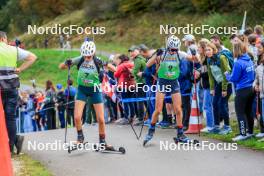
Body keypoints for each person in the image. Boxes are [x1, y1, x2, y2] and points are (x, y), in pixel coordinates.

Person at [143, 35, 198, 145]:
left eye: (176, 49)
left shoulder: (180, 54)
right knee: (158, 110)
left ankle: (180, 133)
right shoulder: (162, 54)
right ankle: (151, 131)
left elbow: (195, 60)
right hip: (163, 82)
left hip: (174, 82)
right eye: (172, 49)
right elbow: (147, 64)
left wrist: (194, 53)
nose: (174, 52)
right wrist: (155, 55)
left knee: (178, 109)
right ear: (168, 47)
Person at [59, 40, 112, 148]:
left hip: (95, 90)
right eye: (85, 56)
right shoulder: (80, 59)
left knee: (101, 119)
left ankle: (102, 141)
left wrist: (107, 66)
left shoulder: (98, 61)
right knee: (77, 117)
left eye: (89, 56)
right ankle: (80, 138)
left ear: (93, 53)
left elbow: (114, 68)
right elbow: (61, 67)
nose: (87, 58)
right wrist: (66, 63)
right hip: (82, 90)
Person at [0, 31, 37, 154]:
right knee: (10, 118)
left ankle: (12, 141)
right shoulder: (14, 50)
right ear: (4, 39)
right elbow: (33, 57)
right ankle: (12, 144)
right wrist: (20, 69)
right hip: (11, 88)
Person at [225, 41, 255, 141]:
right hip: (251, 88)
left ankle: (243, 134)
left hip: (242, 90)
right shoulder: (249, 59)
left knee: (240, 112)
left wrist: (227, 75)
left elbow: (234, 78)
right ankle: (250, 132)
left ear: (236, 50)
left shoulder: (238, 62)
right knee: (248, 111)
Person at [206, 42, 232, 134]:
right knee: (214, 103)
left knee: (222, 104)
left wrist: (224, 88)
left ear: (214, 50)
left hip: (226, 84)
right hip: (218, 84)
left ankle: (227, 126)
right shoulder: (209, 60)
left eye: (209, 50)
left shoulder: (221, 58)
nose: (207, 52)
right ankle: (216, 126)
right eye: (206, 50)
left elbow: (227, 73)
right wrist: (212, 88)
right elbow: (210, 75)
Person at [110, 54, 136, 125]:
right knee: (131, 101)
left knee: (125, 102)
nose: (117, 61)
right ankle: (132, 116)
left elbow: (116, 74)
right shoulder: (131, 64)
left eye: (117, 60)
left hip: (124, 85)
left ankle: (126, 117)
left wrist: (116, 69)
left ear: (121, 59)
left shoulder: (121, 66)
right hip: (132, 85)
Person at [197, 38, 215, 132]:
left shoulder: (208, 59)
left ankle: (210, 126)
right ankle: (211, 125)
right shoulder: (203, 58)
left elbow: (210, 73)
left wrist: (200, 74)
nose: (197, 49)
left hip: (209, 85)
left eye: (199, 47)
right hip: (205, 85)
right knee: (207, 106)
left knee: (207, 106)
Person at [138, 44, 156, 126]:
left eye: (140, 52)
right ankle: (151, 119)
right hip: (148, 83)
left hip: (152, 84)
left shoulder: (152, 60)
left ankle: (153, 119)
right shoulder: (148, 59)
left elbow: (153, 73)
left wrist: (143, 74)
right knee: (150, 102)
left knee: (152, 102)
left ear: (143, 51)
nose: (140, 55)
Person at [129, 45, 147, 126]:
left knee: (140, 101)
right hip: (144, 82)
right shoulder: (141, 58)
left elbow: (135, 72)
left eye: (133, 51)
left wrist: (131, 71)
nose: (131, 53)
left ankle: (141, 119)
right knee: (145, 101)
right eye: (130, 51)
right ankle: (149, 118)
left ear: (138, 51)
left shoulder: (138, 60)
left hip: (140, 83)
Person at [254, 39, 264, 140]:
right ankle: (262, 131)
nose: (257, 49)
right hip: (260, 91)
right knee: (261, 111)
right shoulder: (258, 58)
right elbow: (257, 75)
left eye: (259, 48)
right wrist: (256, 84)